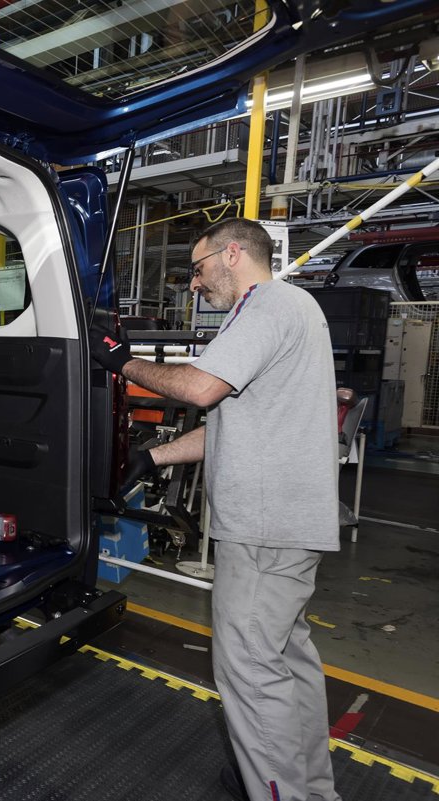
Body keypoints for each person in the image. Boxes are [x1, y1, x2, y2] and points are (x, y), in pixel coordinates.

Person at [90, 218, 341, 801]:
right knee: (286, 661)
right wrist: (154, 458)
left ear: (232, 254)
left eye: (198, 269)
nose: (195, 284)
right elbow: (232, 421)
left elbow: (201, 389)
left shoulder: (267, 305)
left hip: (264, 527)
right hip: (289, 526)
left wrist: (121, 360)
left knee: (250, 671)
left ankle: (281, 792)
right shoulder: (293, 308)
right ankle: (310, 789)